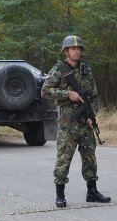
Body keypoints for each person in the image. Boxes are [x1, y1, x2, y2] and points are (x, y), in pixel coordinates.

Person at [41, 35, 111, 208]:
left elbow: (93, 96)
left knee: (89, 156)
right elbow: (45, 91)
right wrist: (67, 94)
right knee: (64, 156)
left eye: (79, 48)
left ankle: (92, 191)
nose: (77, 51)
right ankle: (60, 195)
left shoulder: (86, 70)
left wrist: (92, 115)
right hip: (68, 122)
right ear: (66, 51)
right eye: (73, 48)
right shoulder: (58, 70)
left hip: (84, 121)